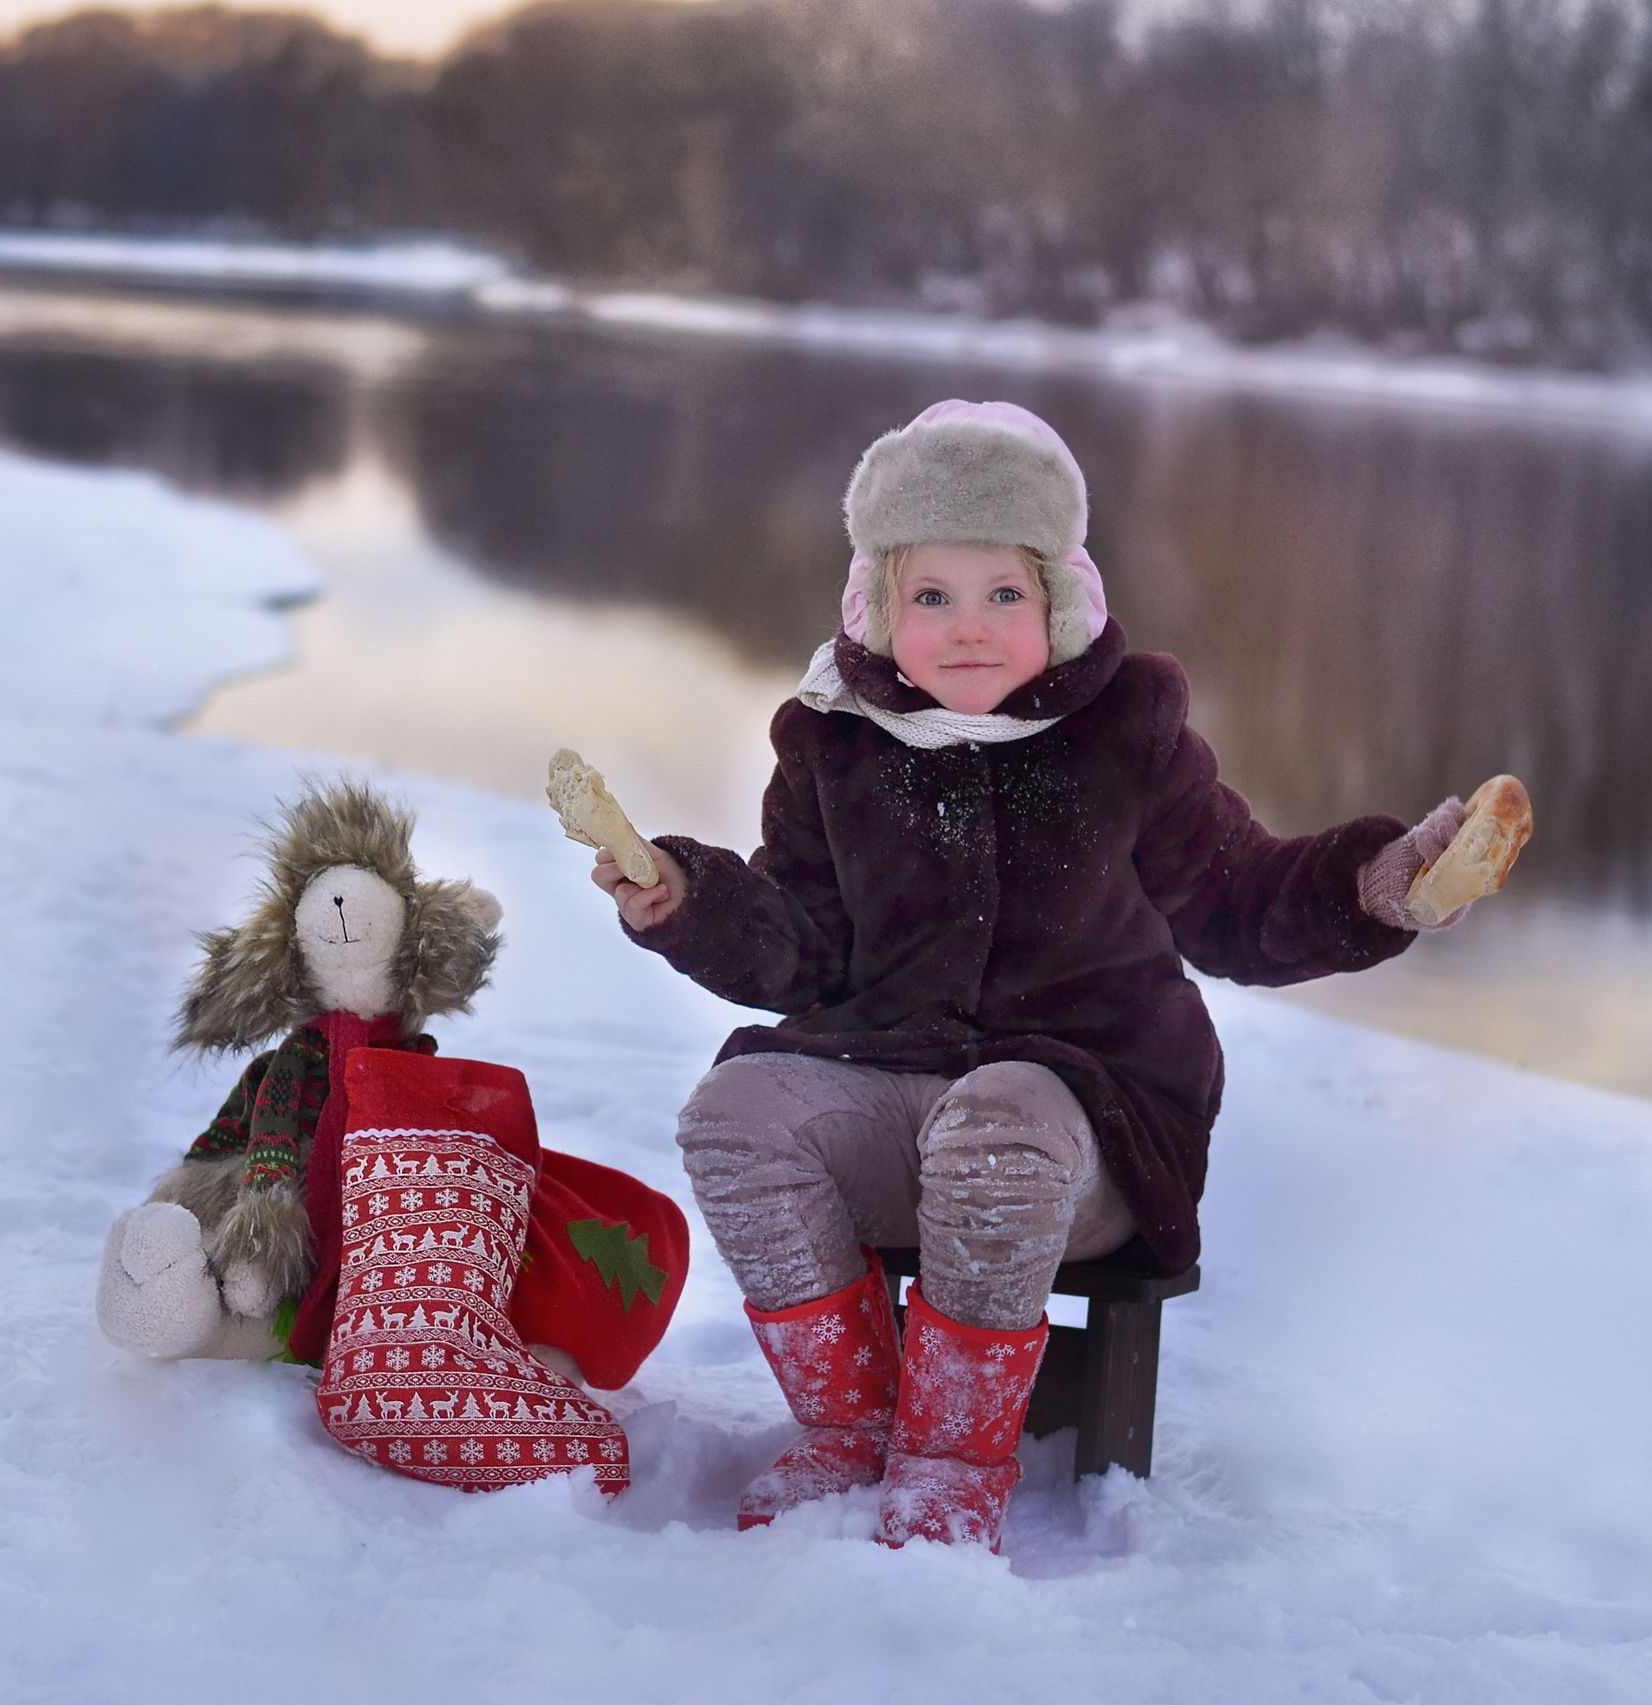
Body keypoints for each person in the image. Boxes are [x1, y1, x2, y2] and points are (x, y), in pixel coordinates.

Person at [591, 400, 1481, 1549]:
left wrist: (1375, 885)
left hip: (1083, 1128)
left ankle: (955, 1458)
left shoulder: (1126, 735)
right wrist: (688, 902)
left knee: (996, 1123)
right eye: (932, 598)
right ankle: (852, 1428)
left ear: (1057, 599)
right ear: (877, 607)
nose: (969, 629)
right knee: (736, 1112)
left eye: (1002, 594)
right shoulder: (834, 741)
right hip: (894, 1085)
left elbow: (1235, 898)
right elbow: (802, 948)